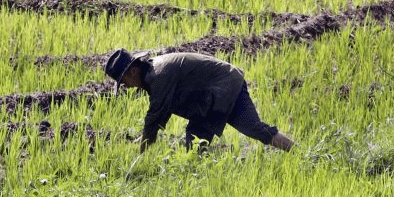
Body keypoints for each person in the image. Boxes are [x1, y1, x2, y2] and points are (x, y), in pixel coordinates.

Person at [104, 48, 294, 153]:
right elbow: (162, 112)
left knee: (251, 129)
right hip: (216, 92)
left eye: (123, 80)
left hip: (223, 89)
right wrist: (146, 137)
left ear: (133, 71)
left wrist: (141, 151)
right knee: (195, 145)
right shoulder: (153, 72)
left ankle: (298, 153)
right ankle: (297, 152)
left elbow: (155, 116)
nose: (125, 86)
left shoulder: (158, 76)